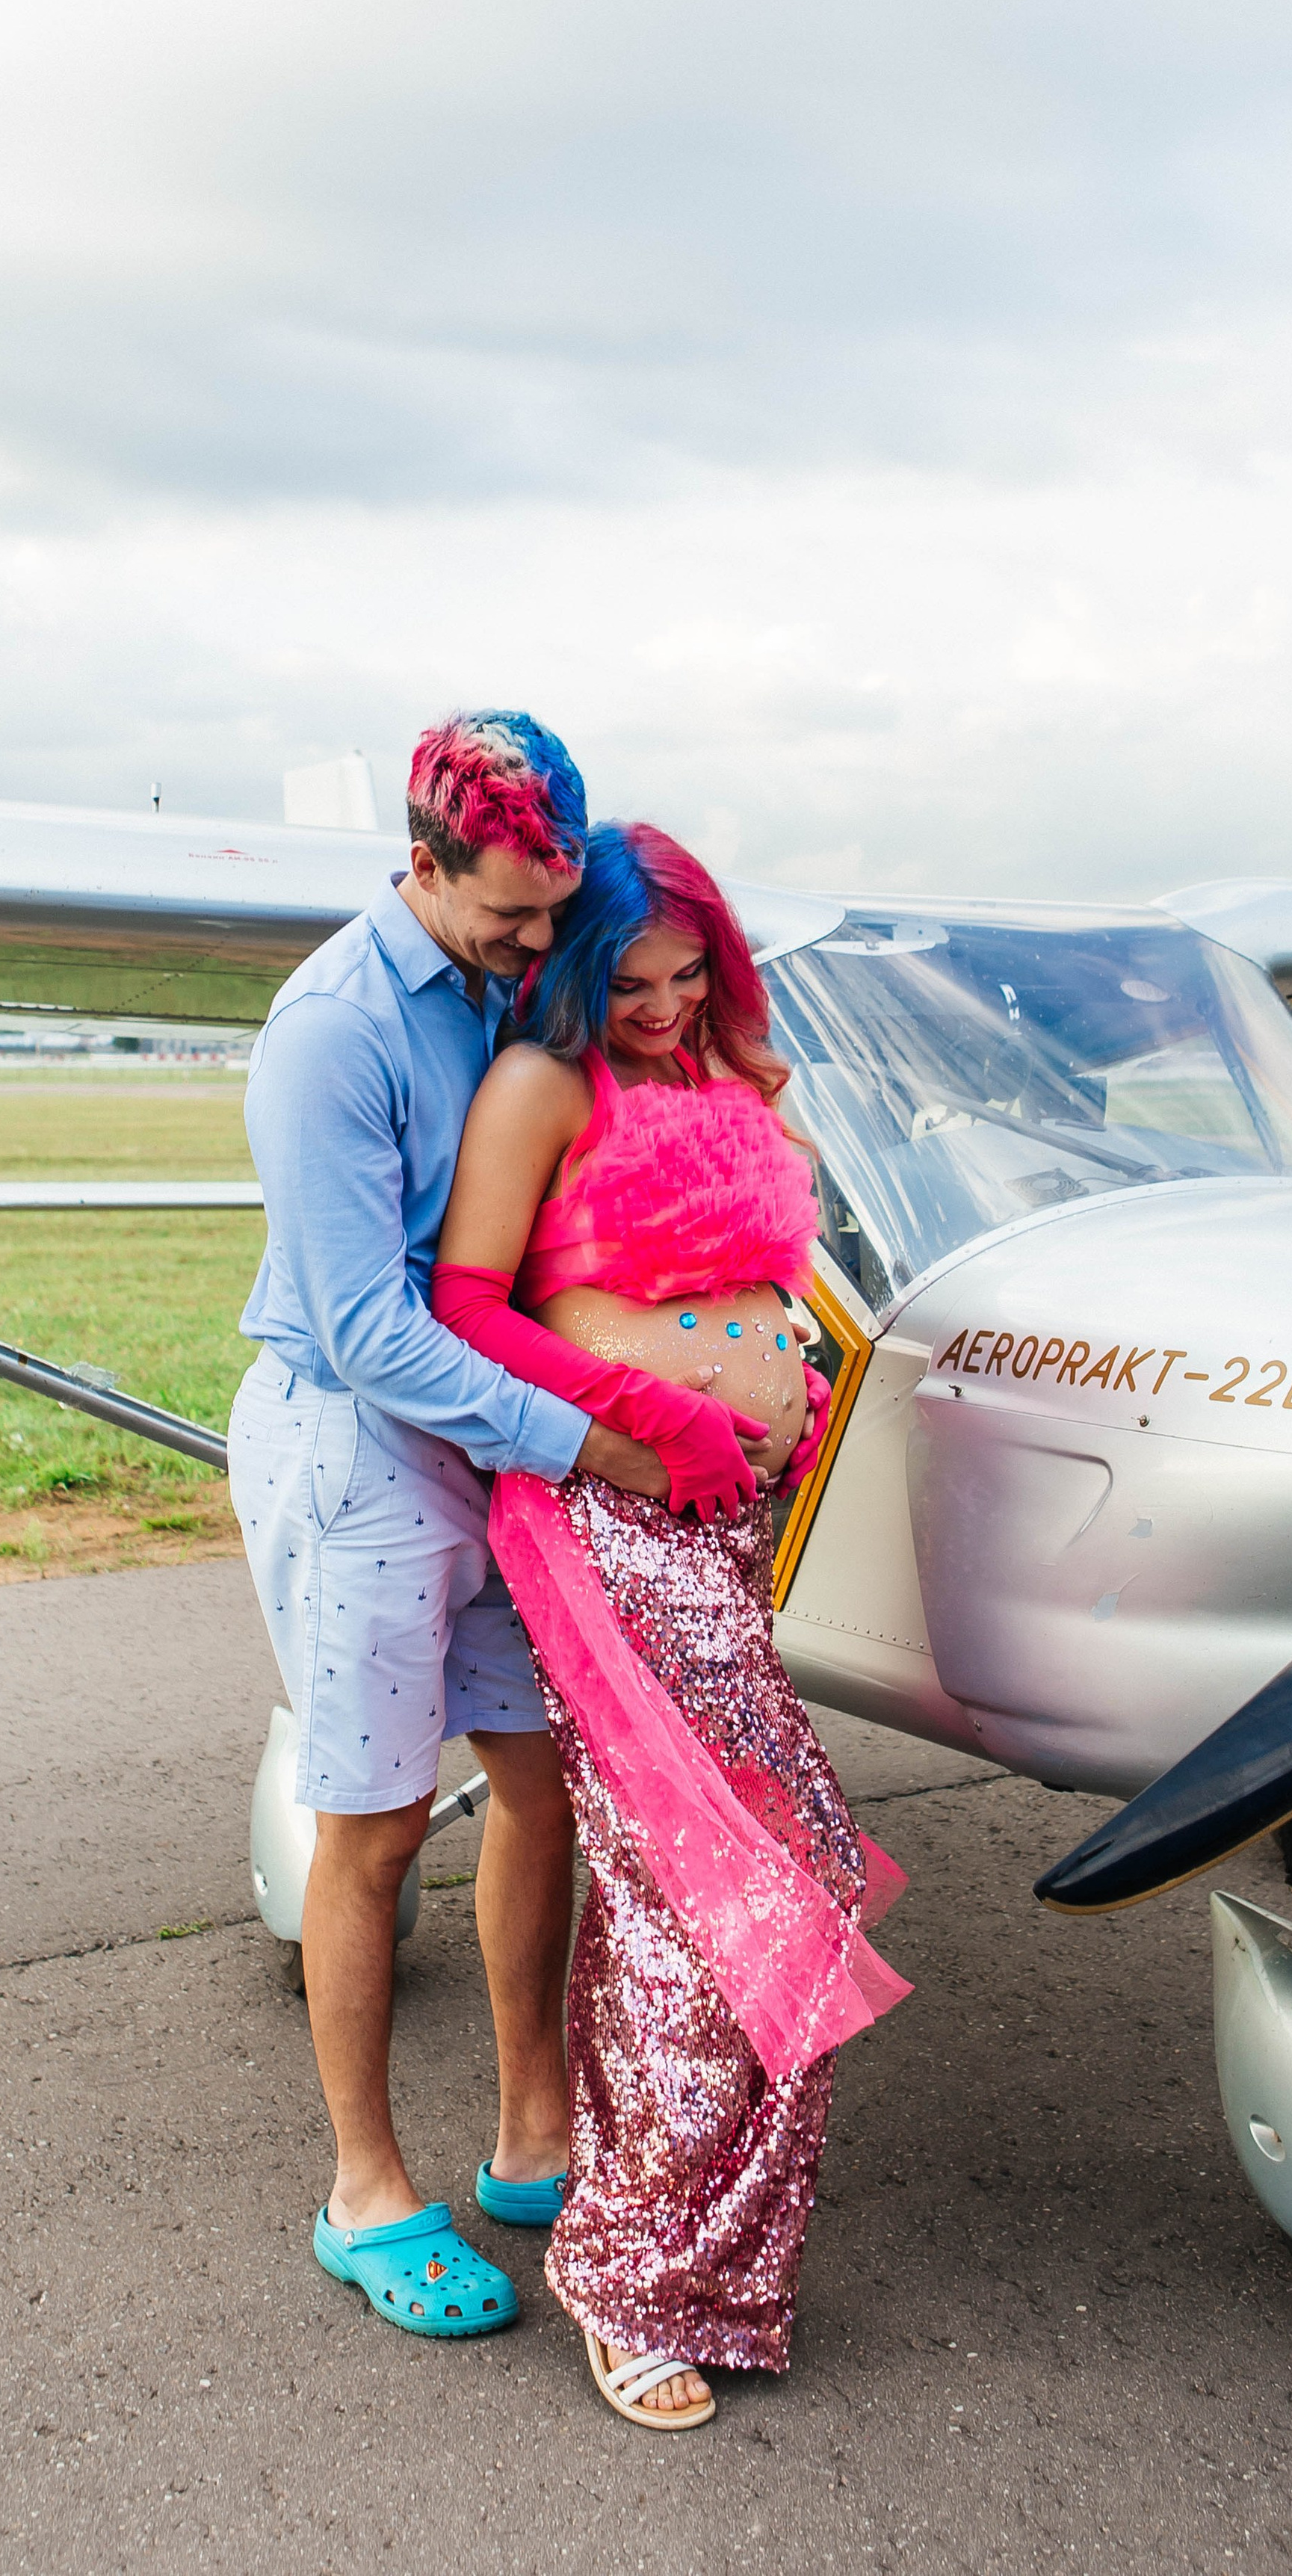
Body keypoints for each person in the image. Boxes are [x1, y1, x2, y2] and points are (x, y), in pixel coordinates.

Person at [229, 717, 767, 2343]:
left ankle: (537, 2134)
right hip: (365, 1444)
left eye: (559, 924)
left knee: (540, 1783)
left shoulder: (502, 991)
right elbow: (369, 1329)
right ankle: (365, 2189)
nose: (543, 952)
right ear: (421, 862)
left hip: (496, 1446)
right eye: (512, 922)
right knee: (375, 1822)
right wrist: (610, 1431)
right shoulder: (332, 1030)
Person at [433, 821, 906, 2431]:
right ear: (571, 971)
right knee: (712, 1895)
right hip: (608, 1513)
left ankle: (699, 2261)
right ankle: (631, 2267)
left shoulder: (721, 1077)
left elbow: (764, 1278)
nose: (656, 1004)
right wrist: (646, 1414)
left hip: (721, 1521)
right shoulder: (539, 1086)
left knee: (751, 1881)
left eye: (684, 970)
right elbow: (466, 1304)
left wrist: (792, 1379)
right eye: (624, 977)